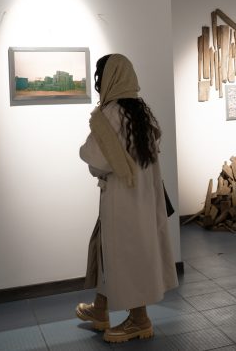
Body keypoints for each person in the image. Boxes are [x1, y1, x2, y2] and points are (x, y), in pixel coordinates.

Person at [76, 54, 178, 343]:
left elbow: (96, 160)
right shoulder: (141, 112)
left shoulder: (109, 114)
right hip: (145, 196)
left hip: (121, 200)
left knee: (124, 255)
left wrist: (85, 153)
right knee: (112, 251)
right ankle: (100, 308)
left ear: (108, 79)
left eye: (99, 77)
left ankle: (139, 319)